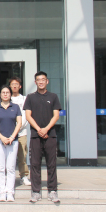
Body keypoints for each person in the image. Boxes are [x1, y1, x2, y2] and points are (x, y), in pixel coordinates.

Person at [24, 71, 62, 204]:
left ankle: (52, 191)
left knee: (52, 163)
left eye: (43, 79)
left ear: (47, 81)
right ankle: (36, 192)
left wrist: (46, 129)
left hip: (50, 135)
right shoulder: (30, 97)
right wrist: (39, 130)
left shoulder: (53, 96)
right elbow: (28, 116)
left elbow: (56, 115)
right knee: (35, 164)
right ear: (35, 82)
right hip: (35, 135)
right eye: (38, 80)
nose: (41, 82)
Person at [0, 85, 22, 202]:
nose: (5, 94)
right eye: (3, 92)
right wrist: (2, 137)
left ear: (10, 94)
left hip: (12, 141)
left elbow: (19, 123)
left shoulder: (16, 107)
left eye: (7, 92)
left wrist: (12, 137)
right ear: (0, 94)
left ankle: (10, 192)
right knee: (0, 167)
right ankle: (2, 192)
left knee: (11, 167)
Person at [9, 77, 31, 186]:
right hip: (8, 133)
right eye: (12, 84)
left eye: (16, 84)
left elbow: (27, 116)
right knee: (9, 157)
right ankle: (9, 177)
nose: (14, 86)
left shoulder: (25, 99)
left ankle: (24, 176)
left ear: (20, 86)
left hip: (22, 133)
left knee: (22, 156)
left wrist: (20, 127)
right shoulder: (6, 99)